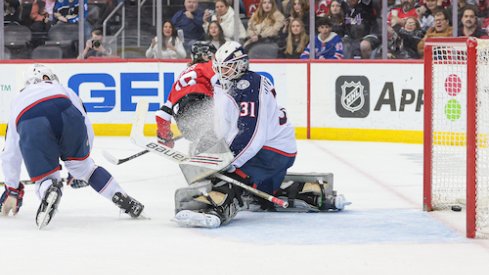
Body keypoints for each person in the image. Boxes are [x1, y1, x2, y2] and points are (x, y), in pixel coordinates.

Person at [173, 41, 350, 228]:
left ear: (241, 64)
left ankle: (215, 211)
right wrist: (213, 143)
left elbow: (252, 134)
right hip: (263, 148)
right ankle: (310, 193)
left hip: (273, 151)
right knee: (249, 187)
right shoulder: (224, 83)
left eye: (227, 68)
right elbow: (227, 122)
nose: (221, 72)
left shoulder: (249, 85)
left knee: (231, 179)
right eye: (219, 68)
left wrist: (230, 162)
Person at [0, 64, 144, 228]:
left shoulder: (19, 100)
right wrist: (80, 161)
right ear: (48, 77)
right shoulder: (62, 88)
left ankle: (50, 188)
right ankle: (119, 196)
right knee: (87, 170)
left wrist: (12, 189)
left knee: (45, 177)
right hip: (66, 110)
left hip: (30, 119)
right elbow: (84, 122)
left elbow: (10, 153)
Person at [155, 41, 218, 151]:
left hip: (183, 122)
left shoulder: (181, 78)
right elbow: (220, 86)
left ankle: (197, 148)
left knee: (201, 134)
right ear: (207, 55)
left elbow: (162, 114)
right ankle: (203, 151)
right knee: (221, 129)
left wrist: (165, 137)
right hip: (200, 108)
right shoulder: (209, 66)